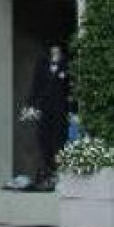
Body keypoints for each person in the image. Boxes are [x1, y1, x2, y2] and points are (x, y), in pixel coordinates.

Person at [19, 42, 72, 186]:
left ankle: (60, 171)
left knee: (59, 139)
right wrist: (31, 105)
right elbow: (35, 86)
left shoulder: (68, 65)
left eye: (57, 51)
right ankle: (48, 170)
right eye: (52, 51)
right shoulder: (42, 64)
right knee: (43, 138)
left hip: (61, 109)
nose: (54, 53)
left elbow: (72, 88)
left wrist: (73, 108)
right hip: (45, 108)